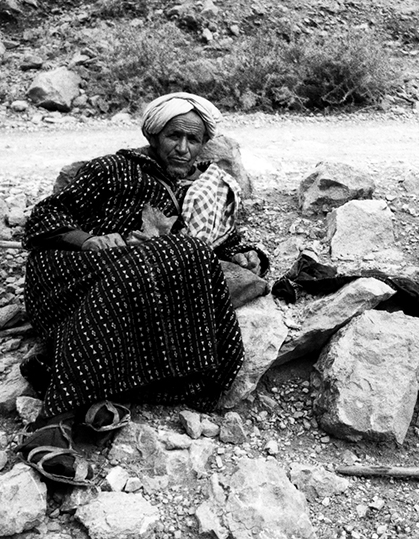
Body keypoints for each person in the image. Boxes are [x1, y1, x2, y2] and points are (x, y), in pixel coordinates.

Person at [16, 92, 266, 486]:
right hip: (71, 269)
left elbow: (220, 239)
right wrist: (88, 239)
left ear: (203, 145)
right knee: (172, 256)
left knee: (188, 256)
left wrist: (250, 256)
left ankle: (60, 368)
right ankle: (52, 423)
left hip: (130, 279)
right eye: (173, 136)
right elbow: (44, 216)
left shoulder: (193, 189)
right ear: (154, 135)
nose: (182, 148)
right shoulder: (113, 169)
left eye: (193, 140)